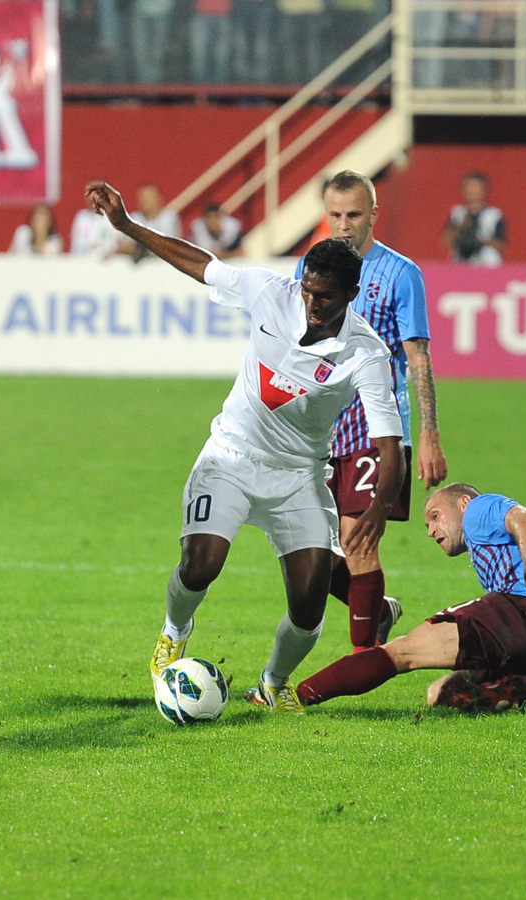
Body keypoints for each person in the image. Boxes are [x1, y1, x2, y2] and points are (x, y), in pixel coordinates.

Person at [85, 179, 405, 714]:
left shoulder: (366, 355)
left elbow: (390, 446)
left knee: (308, 606)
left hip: (299, 476)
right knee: (200, 564)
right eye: (307, 289)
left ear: (351, 294)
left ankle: (272, 685)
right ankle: (174, 631)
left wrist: (377, 507)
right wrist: (127, 227)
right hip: (231, 457)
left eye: (324, 296)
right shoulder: (271, 293)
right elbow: (202, 264)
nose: (310, 303)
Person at [304, 170, 446, 654]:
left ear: (373, 215)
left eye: (354, 215)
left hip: (375, 427)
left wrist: (428, 435)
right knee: (306, 548)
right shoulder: (313, 266)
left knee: (358, 539)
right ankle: (377, 610)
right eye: (335, 215)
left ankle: (363, 657)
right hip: (321, 427)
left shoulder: (400, 274)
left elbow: (418, 358)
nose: (344, 225)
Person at [295, 483, 526, 713]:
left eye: (435, 517)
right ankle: (501, 689)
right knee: (441, 695)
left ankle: (298, 696)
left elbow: (520, 514)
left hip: (523, 613)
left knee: (402, 652)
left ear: (463, 503)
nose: (431, 531)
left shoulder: (478, 508)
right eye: (428, 525)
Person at [441, 172, 507, 266]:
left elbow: (501, 244)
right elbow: (445, 241)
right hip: (461, 261)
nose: (472, 190)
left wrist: (480, 241)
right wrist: (460, 227)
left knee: (490, 254)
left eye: (476, 187)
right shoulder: (457, 213)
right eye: (469, 186)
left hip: (486, 263)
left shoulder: (493, 215)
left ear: (485, 190)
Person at [122, 183, 181, 260]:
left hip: (164, 262)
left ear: (159, 198)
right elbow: (126, 245)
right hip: (140, 263)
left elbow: (172, 246)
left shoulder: (169, 218)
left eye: (148, 197)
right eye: (141, 197)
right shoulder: (134, 218)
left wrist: (145, 249)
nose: (144, 201)